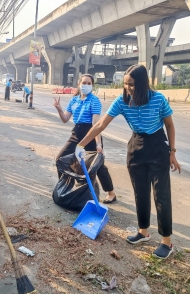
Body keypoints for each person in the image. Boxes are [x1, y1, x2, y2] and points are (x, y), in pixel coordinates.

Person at [75, 64, 181, 259]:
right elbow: (101, 124)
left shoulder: (157, 99)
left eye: (131, 85)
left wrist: (172, 152)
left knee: (161, 195)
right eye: (125, 84)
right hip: (136, 146)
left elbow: (170, 125)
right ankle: (143, 232)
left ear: (141, 83)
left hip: (157, 146)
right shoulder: (123, 101)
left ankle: (166, 241)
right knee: (140, 191)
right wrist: (81, 145)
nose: (127, 88)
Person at [53, 74, 117, 204]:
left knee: (98, 166)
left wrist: (98, 144)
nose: (86, 85)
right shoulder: (74, 100)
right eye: (84, 83)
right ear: (79, 84)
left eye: (89, 83)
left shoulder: (94, 101)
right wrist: (59, 109)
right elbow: (65, 119)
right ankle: (66, 187)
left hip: (91, 134)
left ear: (92, 86)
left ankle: (111, 193)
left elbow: (96, 125)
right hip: (76, 133)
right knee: (61, 159)